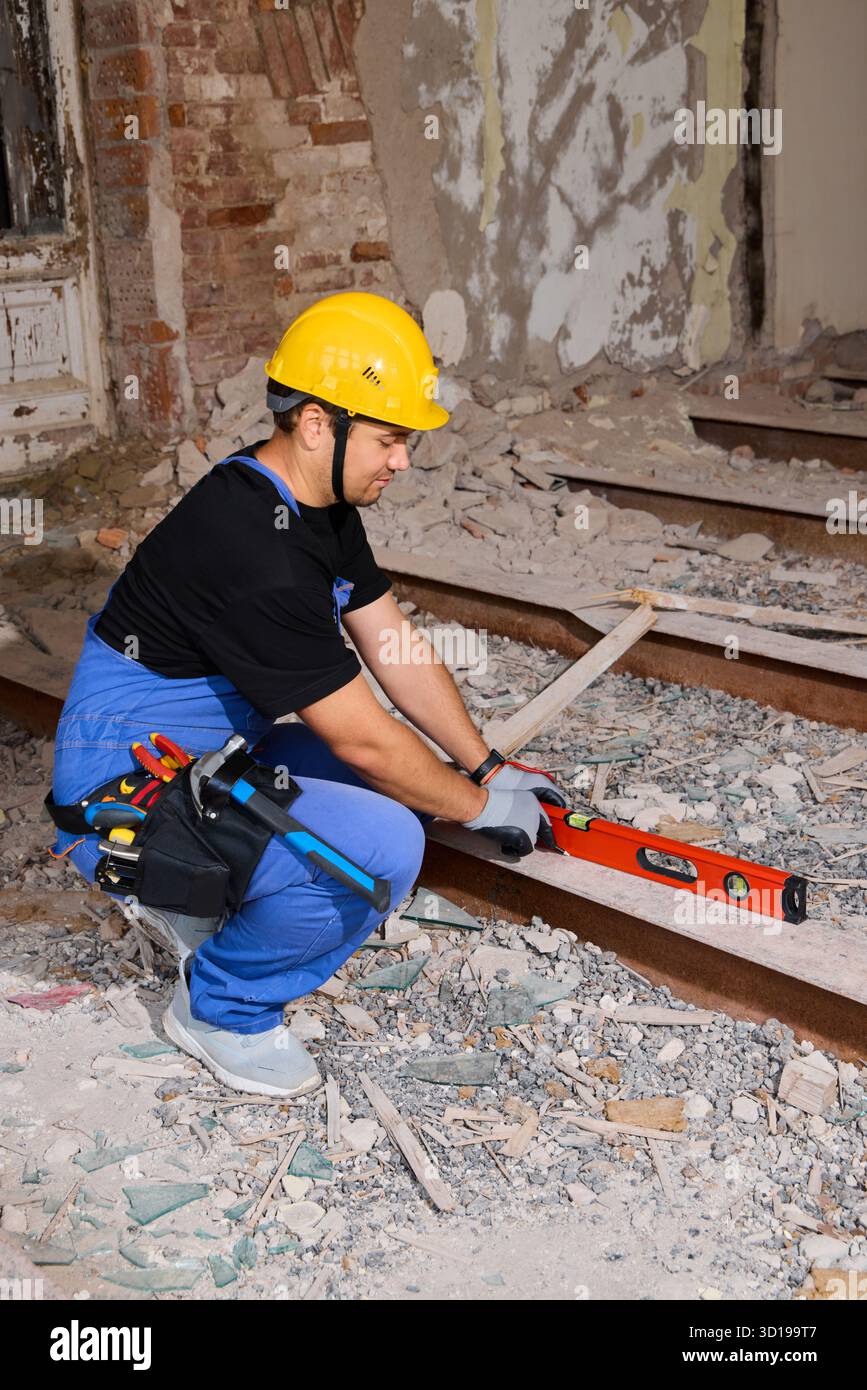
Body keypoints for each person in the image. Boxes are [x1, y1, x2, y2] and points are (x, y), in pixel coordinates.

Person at [48, 291, 563, 1098]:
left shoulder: (314, 505)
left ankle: (239, 891)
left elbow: (391, 643)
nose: (403, 461)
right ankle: (221, 1007)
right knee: (389, 843)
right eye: (390, 439)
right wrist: (474, 809)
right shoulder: (251, 549)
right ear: (319, 424)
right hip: (124, 794)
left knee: (409, 782)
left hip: (201, 757)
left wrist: (485, 767)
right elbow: (361, 734)